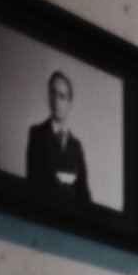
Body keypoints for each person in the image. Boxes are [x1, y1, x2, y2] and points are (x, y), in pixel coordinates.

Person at [25, 70, 91, 208]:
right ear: (48, 96)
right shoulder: (37, 134)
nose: (56, 100)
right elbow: (34, 184)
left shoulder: (76, 146)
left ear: (69, 103)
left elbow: (84, 193)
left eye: (61, 96)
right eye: (52, 93)